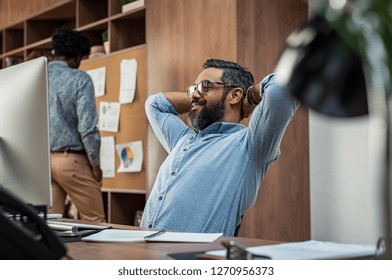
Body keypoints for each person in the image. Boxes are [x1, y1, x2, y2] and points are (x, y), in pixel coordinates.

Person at [140, 59, 299, 236]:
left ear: (235, 95)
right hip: (142, 251)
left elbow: (284, 87)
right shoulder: (183, 139)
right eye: (194, 88)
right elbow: (154, 104)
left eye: (205, 86)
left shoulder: (250, 145)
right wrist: (198, 96)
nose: (194, 94)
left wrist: (251, 96)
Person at [48, 27, 105, 222]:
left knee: (52, 226)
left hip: (44, 162)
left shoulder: (39, 77)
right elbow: (87, 128)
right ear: (77, 56)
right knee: (96, 223)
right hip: (72, 161)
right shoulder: (80, 79)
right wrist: (95, 164)